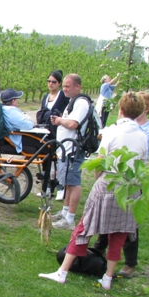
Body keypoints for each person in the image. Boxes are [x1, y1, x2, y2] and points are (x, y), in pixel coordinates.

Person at [39, 92, 148, 290]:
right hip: (130, 187)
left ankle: (62, 272)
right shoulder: (142, 135)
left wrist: (99, 180)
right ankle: (107, 277)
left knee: (84, 227)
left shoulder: (112, 132)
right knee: (120, 232)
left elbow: (101, 161)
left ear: (121, 110)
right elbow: (141, 162)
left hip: (109, 182)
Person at [93, 91, 149, 278]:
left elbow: (137, 155)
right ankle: (99, 247)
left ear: (146, 108)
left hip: (130, 179)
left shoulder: (147, 132)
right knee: (109, 213)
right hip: (116, 177)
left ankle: (130, 262)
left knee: (129, 223)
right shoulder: (131, 128)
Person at [50, 74, 90, 230]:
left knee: (73, 183)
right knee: (67, 182)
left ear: (77, 86)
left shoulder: (81, 103)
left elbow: (73, 124)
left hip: (73, 149)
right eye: (64, 86)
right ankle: (65, 212)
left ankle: (70, 219)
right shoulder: (73, 102)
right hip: (66, 149)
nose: (64, 89)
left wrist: (59, 121)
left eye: (67, 86)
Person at [38, 70, 70, 200]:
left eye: (54, 82)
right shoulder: (46, 97)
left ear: (59, 83)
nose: (51, 84)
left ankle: (60, 187)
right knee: (46, 158)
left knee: (58, 159)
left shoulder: (63, 97)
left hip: (58, 130)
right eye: (49, 81)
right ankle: (46, 187)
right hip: (46, 130)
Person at [0, 88, 35, 153]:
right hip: (16, 138)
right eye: (17, 99)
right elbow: (24, 125)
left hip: (11, 136)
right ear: (13, 101)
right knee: (47, 145)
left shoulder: (4, 109)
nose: (18, 101)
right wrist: (33, 124)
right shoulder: (10, 111)